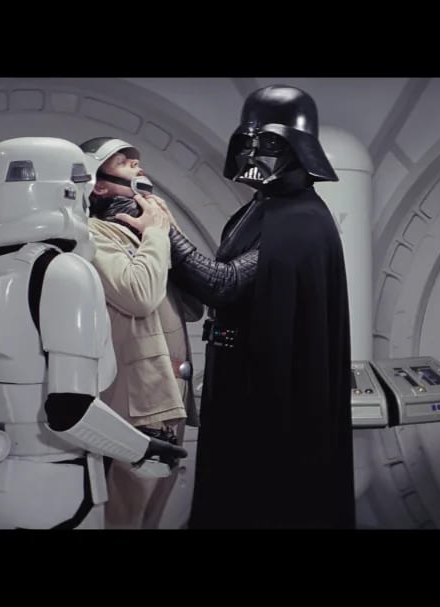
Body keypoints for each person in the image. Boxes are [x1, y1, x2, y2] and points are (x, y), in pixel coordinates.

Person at [0, 137, 186, 529]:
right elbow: (70, 410)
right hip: (53, 491)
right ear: (67, 191)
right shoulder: (63, 272)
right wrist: (144, 450)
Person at [164, 85, 354, 528]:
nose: (252, 154)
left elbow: (224, 284)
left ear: (299, 148)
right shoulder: (261, 209)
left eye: (267, 143)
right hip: (240, 383)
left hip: (271, 393)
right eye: (247, 142)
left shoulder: (302, 222)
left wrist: (164, 230)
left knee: (265, 498)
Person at [78, 136, 203, 529]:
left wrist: (167, 231)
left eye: (136, 159)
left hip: (171, 390)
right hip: (138, 397)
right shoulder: (93, 234)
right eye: (121, 160)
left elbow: (194, 305)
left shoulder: (148, 231)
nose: (135, 162)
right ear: (98, 185)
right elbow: (138, 296)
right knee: (128, 509)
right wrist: (155, 235)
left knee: (155, 510)